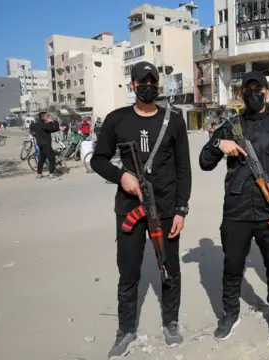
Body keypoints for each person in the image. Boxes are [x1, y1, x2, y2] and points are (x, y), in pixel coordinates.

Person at [90, 61, 192, 358]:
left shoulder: (173, 120)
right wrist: (121, 175)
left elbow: (183, 168)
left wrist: (182, 210)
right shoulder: (116, 120)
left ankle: (170, 322)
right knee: (129, 271)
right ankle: (126, 330)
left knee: (169, 268)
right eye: (141, 80)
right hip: (130, 207)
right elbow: (99, 159)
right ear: (132, 85)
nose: (147, 85)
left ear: (158, 84)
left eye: (152, 80)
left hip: (166, 207)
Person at [199, 70, 269, 342]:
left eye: (259, 89)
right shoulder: (230, 127)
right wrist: (219, 144)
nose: (254, 93)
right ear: (242, 93)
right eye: (249, 89)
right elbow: (204, 162)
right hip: (236, 211)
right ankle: (230, 314)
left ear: (267, 92)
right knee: (232, 267)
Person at [30, 112, 61, 180]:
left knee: (42, 159)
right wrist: (54, 121)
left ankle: (39, 175)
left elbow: (33, 130)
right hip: (46, 144)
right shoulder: (44, 124)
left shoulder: (35, 124)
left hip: (40, 143)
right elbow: (54, 129)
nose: (49, 117)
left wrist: (36, 135)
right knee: (52, 158)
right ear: (43, 117)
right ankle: (51, 175)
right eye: (47, 116)